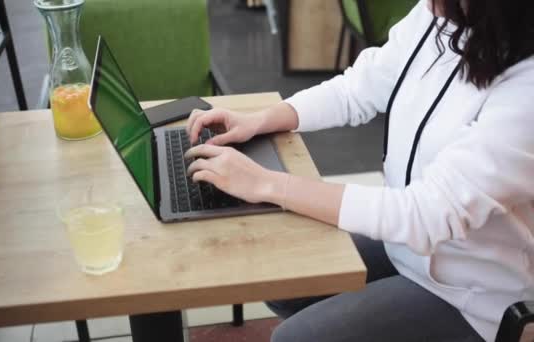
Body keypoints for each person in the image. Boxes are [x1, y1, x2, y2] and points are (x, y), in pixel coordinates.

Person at [184, 0, 534, 340]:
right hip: (407, 243)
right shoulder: (438, 16)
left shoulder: (525, 91)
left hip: (471, 292)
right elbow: (358, 88)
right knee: (281, 279)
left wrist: (267, 185)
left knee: (295, 338)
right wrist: (261, 119)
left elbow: (425, 214)